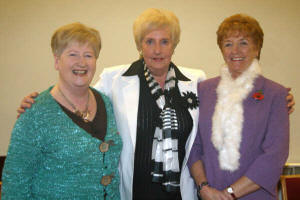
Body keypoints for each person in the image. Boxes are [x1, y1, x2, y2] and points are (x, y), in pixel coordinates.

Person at [15, 9, 295, 200]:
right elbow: (79, 96)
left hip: (182, 191)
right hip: (134, 190)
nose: (157, 49)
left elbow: (229, 101)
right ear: (140, 45)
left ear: (175, 45)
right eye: (149, 41)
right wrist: (41, 100)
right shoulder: (115, 78)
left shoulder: (195, 80)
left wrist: (277, 99)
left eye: (165, 41)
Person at [2, 23, 122, 199]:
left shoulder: (107, 102)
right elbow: (15, 182)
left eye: (88, 55)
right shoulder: (35, 113)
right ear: (57, 61)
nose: (81, 62)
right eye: (72, 54)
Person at [188, 14, 290, 200]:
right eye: (228, 44)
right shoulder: (203, 90)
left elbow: (274, 156)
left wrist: (229, 194)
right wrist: (203, 187)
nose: (235, 51)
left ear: (257, 48)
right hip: (208, 196)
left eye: (243, 43)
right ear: (221, 50)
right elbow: (193, 146)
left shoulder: (275, 94)